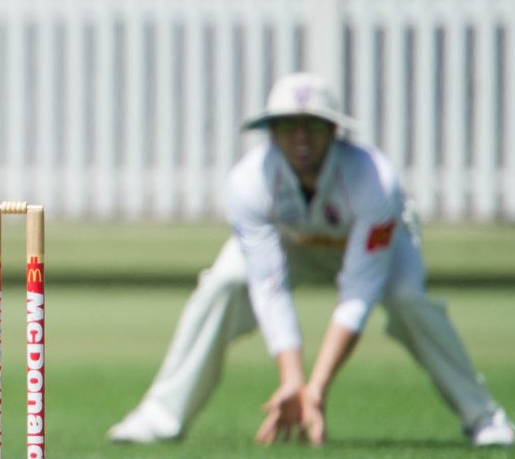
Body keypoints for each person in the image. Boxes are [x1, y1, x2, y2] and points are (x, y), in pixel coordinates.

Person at [107, 72, 515, 447]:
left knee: (408, 299)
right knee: (225, 283)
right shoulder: (248, 181)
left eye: (314, 125)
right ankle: (160, 417)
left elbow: (359, 291)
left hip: (372, 247)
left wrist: (316, 388)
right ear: (271, 132)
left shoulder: (375, 180)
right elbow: (269, 286)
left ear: (334, 131)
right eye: (288, 126)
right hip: (292, 243)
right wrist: (292, 380)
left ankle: (485, 418)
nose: (301, 137)